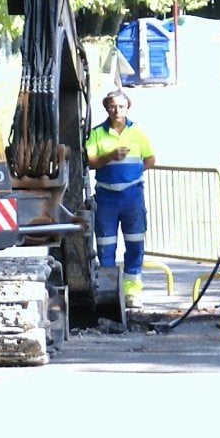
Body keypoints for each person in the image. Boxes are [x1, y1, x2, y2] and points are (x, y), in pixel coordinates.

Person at [84, 89, 156, 306]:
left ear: (128, 107)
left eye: (121, 106)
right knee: (106, 245)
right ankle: (109, 293)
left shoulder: (138, 133)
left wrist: (131, 176)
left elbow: (151, 159)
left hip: (132, 196)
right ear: (106, 107)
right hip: (106, 197)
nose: (117, 110)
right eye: (113, 106)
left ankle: (132, 291)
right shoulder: (97, 133)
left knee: (135, 243)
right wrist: (111, 156)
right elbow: (90, 162)